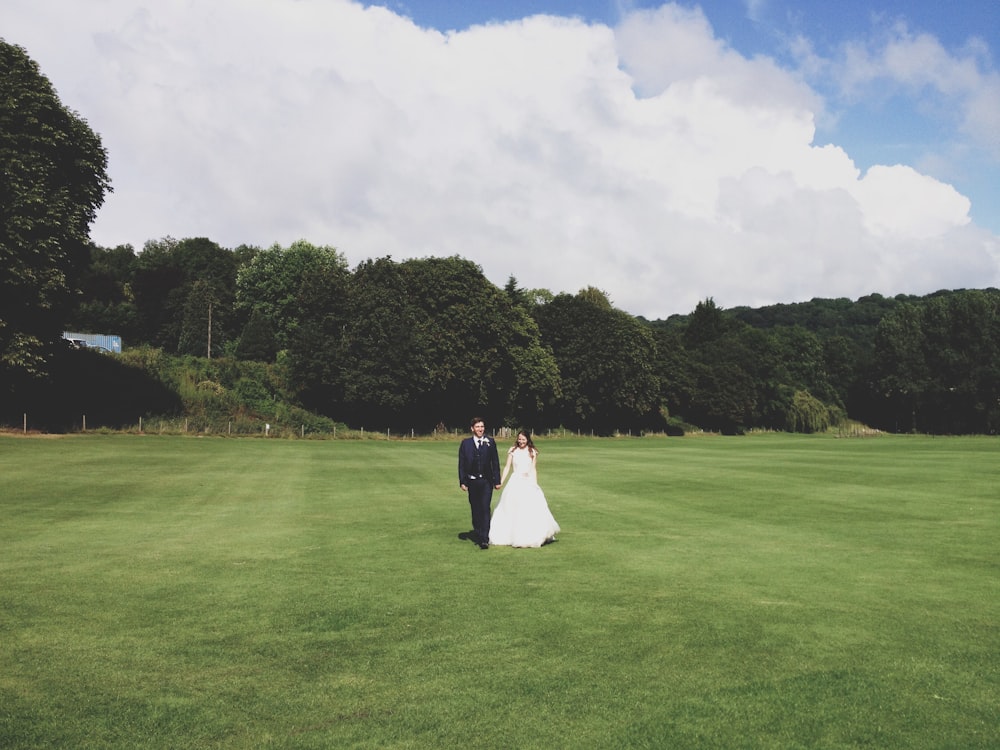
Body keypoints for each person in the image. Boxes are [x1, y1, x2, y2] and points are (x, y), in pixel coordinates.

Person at [489, 431, 559, 548]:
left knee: (530, 509)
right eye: (519, 439)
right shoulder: (512, 450)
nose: (521, 442)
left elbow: (533, 469)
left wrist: (535, 484)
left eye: (523, 439)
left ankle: (532, 534)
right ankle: (510, 535)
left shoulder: (532, 451)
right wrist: (501, 481)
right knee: (511, 508)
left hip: (528, 482)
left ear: (527, 439)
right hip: (515, 482)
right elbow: (507, 467)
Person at [458, 417, 502, 549]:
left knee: (485, 508)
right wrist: (462, 481)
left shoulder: (490, 442)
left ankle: (484, 538)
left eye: (482, 426)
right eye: (477, 427)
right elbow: (461, 464)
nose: (480, 429)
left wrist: (497, 480)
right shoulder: (465, 444)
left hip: (486, 481)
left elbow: (495, 462)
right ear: (472, 428)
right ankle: (478, 531)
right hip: (472, 481)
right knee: (475, 509)